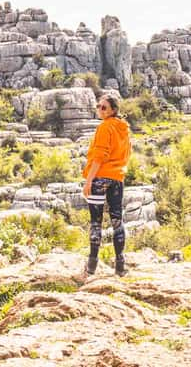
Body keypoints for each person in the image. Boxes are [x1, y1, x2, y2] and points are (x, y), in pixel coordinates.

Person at [81, 93, 132, 277]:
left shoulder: (105, 127)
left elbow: (99, 157)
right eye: (98, 106)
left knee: (96, 222)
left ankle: (91, 268)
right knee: (117, 221)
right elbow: (127, 155)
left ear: (113, 110)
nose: (99, 110)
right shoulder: (124, 129)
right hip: (117, 178)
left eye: (104, 107)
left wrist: (88, 181)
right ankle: (120, 266)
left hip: (100, 178)